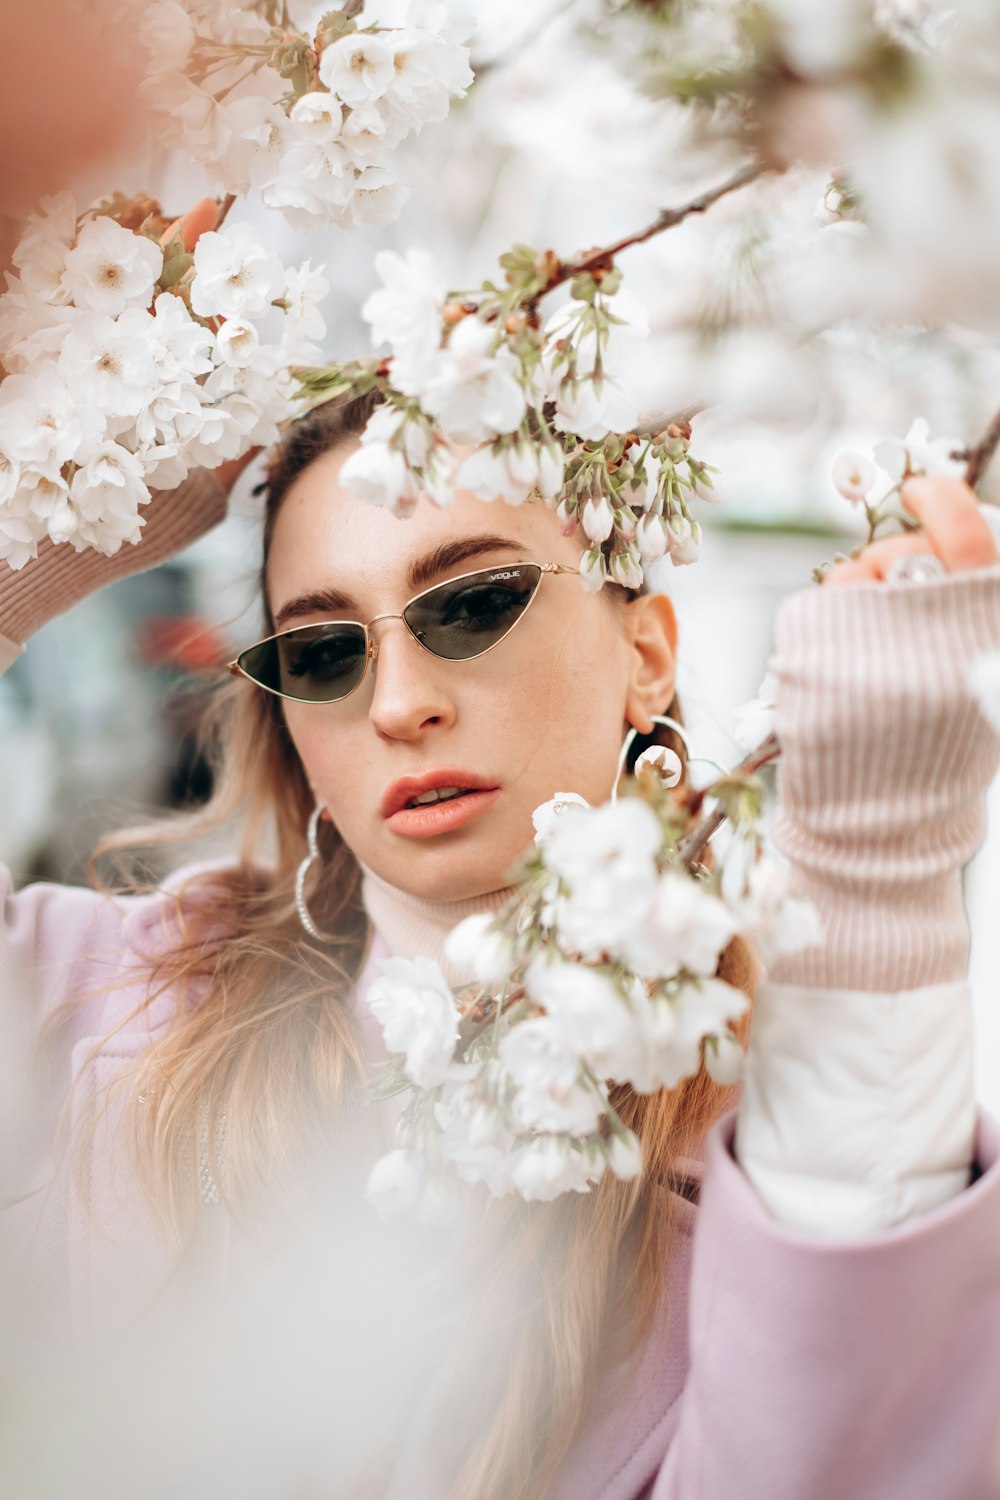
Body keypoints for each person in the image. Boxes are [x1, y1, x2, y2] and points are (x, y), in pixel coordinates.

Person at [1, 385, 999, 1500]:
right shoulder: (107, 1009)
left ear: (646, 656)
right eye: (323, 652)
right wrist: (29, 536)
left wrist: (874, 890)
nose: (398, 703)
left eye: (472, 604)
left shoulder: (785, 1144)